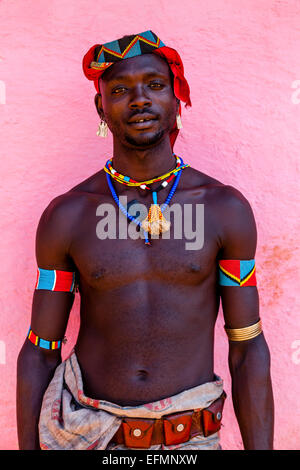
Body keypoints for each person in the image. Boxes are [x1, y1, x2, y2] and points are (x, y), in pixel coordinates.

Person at [17, 30, 274, 450]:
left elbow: (246, 346)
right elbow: (41, 349)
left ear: (177, 100)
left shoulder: (224, 210)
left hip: (189, 440)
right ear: (101, 107)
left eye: (155, 85)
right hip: (87, 435)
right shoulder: (68, 215)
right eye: (120, 90)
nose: (139, 100)